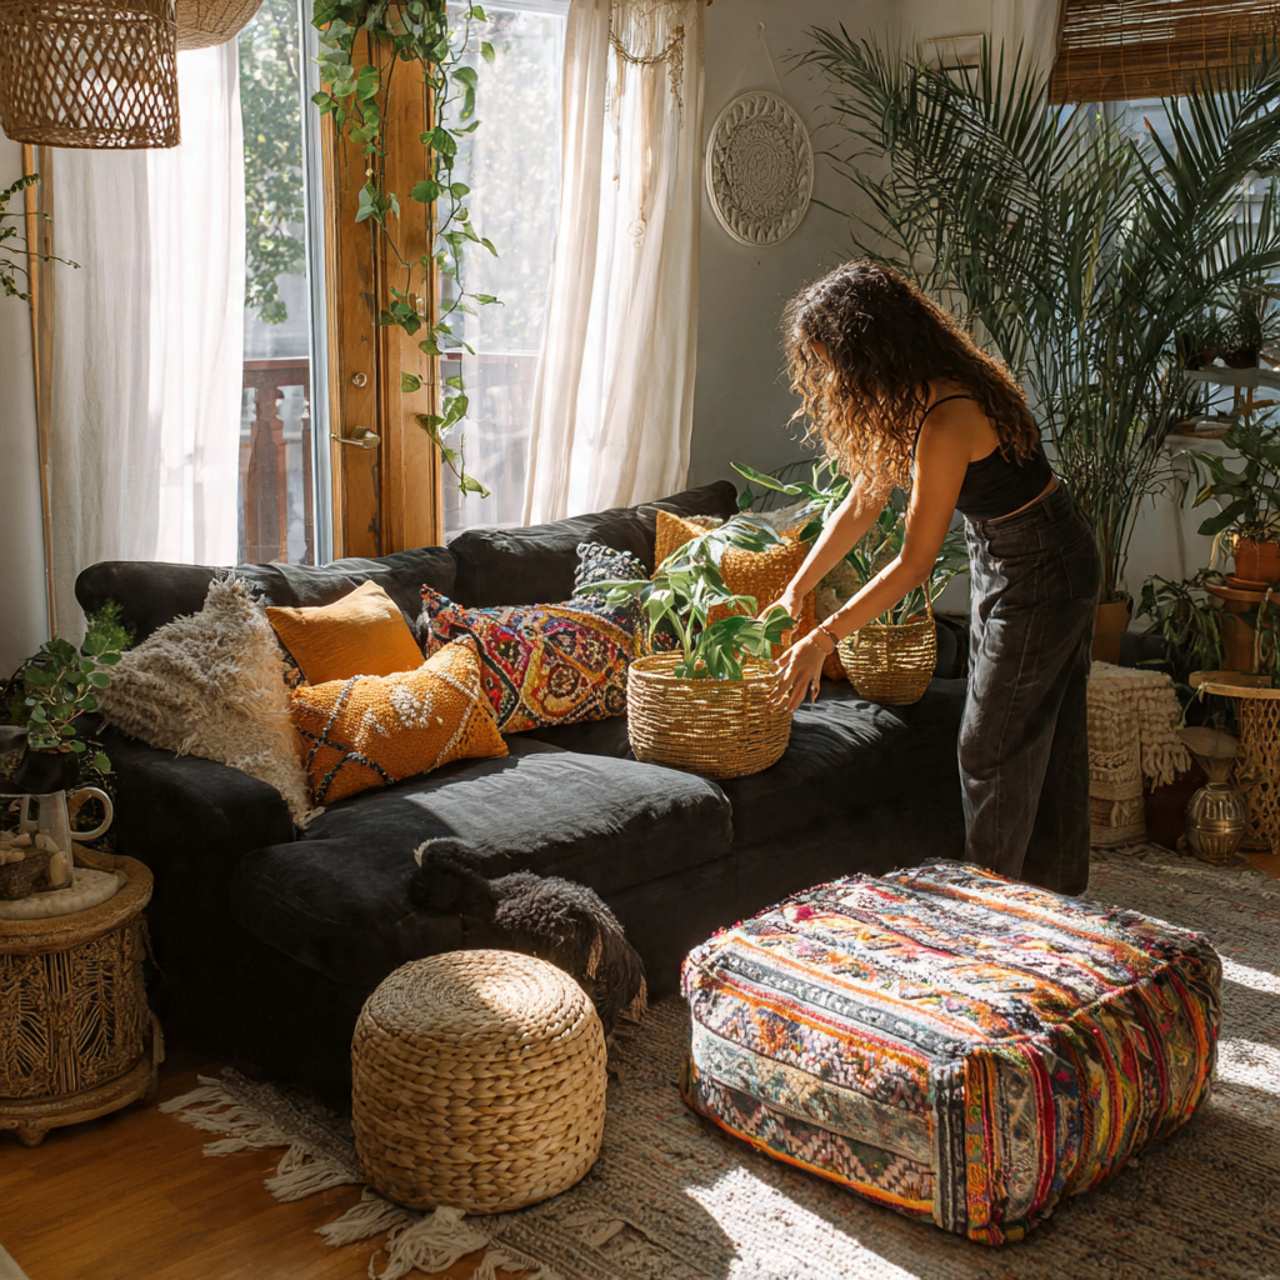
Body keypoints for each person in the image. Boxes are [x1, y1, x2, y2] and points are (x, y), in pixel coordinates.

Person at [767, 261, 1099, 894]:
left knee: (991, 745)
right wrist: (796, 588)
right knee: (1028, 731)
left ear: (872, 349)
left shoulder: (948, 417)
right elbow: (863, 503)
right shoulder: (907, 400)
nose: (830, 378)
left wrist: (822, 637)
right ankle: (1049, 901)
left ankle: (985, 911)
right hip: (1011, 553)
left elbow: (915, 564)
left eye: (832, 361)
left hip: (1044, 565)